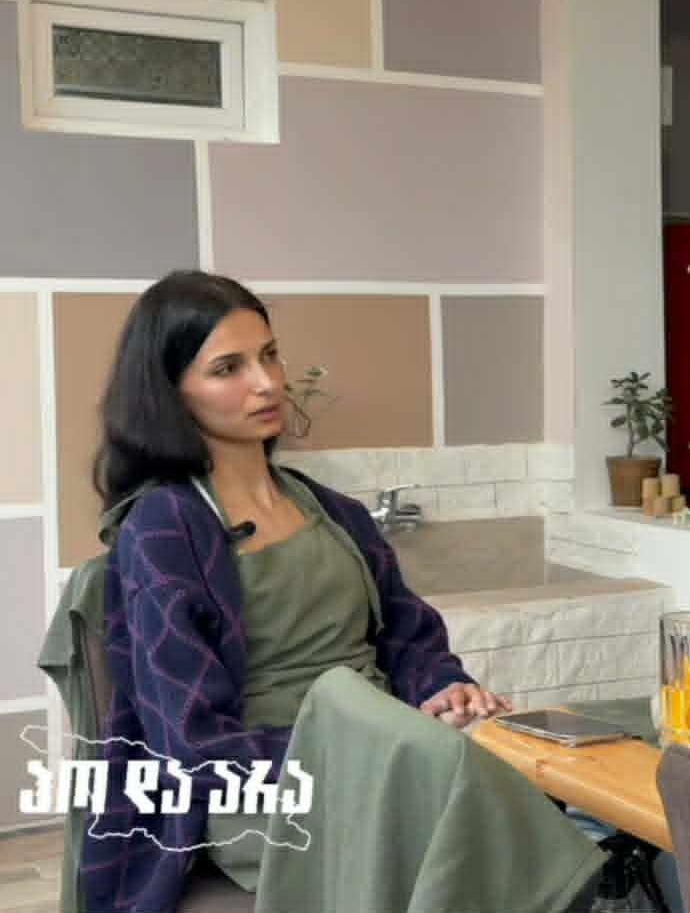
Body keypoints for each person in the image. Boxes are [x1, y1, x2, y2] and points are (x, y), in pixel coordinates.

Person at [81, 271, 511, 912]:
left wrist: (441, 689)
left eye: (270, 354)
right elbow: (192, 744)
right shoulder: (164, 528)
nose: (267, 382)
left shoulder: (333, 510)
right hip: (268, 792)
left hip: (385, 757)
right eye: (229, 368)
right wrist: (365, 755)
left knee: (535, 798)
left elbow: (408, 633)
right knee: (482, 836)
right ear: (170, 393)